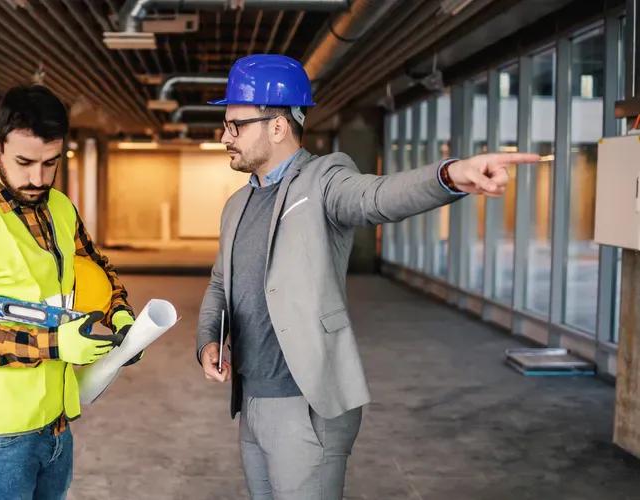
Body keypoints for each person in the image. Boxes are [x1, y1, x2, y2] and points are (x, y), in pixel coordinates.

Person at [195, 54, 539, 500]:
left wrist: (449, 176)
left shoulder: (323, 181)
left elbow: (377, 197)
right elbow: (220, 284)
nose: (225, 137)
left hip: (305, 405)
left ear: (277, 127)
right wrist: (207, 339)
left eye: (235, 125)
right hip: (251, 401)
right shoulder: (237, 206)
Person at [0, 84, 142, 500]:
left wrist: (121, 315)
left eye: (50, 163)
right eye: (24, 162)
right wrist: (56, 343)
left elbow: (97, 268)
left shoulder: (60, 207)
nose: (38, 178)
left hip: (55, 419)